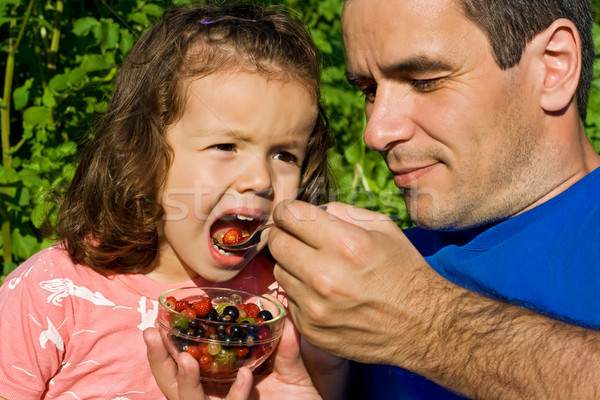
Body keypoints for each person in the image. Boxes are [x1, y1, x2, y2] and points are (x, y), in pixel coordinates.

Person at [264, 0, 600, 399]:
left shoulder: (390, 288)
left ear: (553, 67)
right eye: (369, 91)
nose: (376, 132)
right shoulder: (357, 274)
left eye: (424, 80)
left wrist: (422, 320)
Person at [0, 3, 338, 399]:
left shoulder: (282, 303)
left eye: (285, 155)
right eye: (226, 145)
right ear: (144, 153)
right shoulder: (51, 295)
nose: (261, 180)